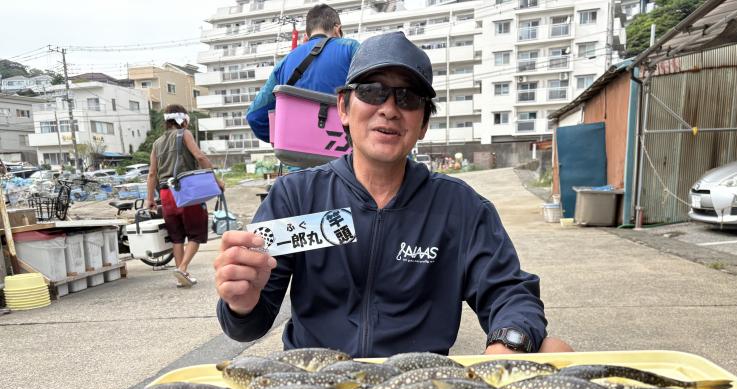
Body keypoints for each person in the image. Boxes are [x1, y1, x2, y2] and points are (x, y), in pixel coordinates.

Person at [215, 31, 571, 357]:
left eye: (408, 98)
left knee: (554, 350)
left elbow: (510, 293)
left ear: (424, 124)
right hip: (316, 382)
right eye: (371, 90)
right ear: (342, 107)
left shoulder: (461, 208)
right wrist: (241, 302)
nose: (388, 108)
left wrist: (509, 340)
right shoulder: (295, 197)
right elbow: (250, 323)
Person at [246, 4, 360, 143]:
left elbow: (255, 117)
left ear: (306, 35)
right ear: (338, 29)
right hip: (344, 156)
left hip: (298, 159)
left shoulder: (284, 62)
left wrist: (285, 138)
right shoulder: (350, 48)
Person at [146, 104, 224, 288]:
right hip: (186, 191)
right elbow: (200, 157)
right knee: (196, 234)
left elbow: (151, 174)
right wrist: (215, 181)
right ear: (183, 120)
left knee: (177, 237)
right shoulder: (184, 134)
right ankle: (182, 268)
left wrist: (150, 199)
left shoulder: (157, 143)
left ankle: (182, 275)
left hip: (165, 194)